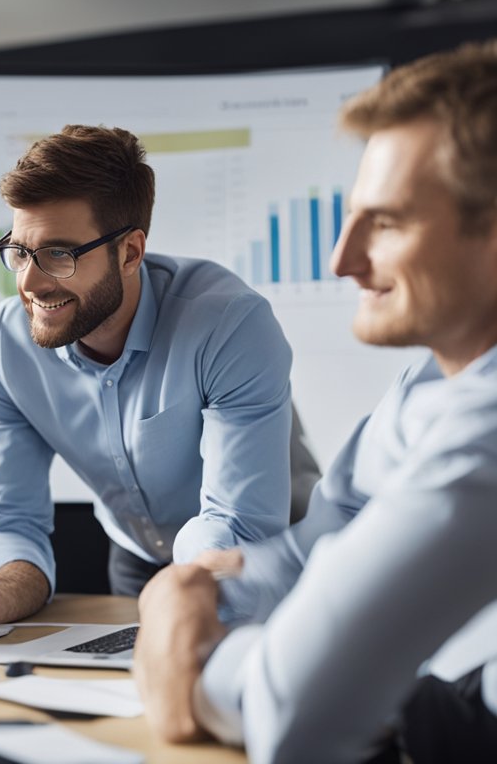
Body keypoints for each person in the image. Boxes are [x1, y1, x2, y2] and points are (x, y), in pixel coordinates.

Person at [133, 41, 497, 764]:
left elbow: (296, 717)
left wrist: (196, 659)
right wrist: (191, 589)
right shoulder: (430, 387)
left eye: (387, 223)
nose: (343, 259)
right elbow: (311, 551)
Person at [0, 124, 310, 622]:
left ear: (130, 252)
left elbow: (237, 527)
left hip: (272, 559)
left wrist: (177, 603)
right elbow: (11, 518)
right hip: (138, 556)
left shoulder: (228, 324)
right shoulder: (5, 344)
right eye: (20, 252)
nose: (28, 283)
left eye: (59, 254)